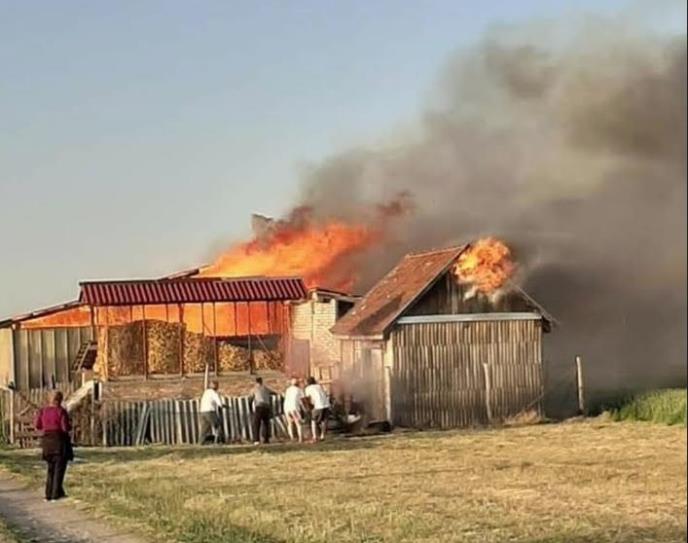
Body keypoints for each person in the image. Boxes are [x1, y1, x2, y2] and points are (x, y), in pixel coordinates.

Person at [34, 390, 73, 501]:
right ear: (60, 400)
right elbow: (65, 428)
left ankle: (48, 494)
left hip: (47, 442)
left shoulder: (43, 411)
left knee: (50, 469)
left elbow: (38, 425)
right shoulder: (61, 411)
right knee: (59, 469)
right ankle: (55, 494)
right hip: (58, 441)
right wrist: (70, 425)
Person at [305, 377, 331, 442]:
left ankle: (315, 437)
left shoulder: (308, 388)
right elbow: (326, 393)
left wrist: (309, 407)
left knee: (313, 420)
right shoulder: (319, 386)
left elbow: (308, 398)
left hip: (318, 405)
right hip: (326, 404)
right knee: (324, 421)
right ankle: (323, 436)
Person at [251, 377, 275, 445]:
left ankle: (256, 440)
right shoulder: (266, 388)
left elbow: (251, 398)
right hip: (266, 407)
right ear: (261, 382)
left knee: (256, 424)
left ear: (256, 382)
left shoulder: (254, 389)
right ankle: (266, 439)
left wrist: (251, 408)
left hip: (259, 407)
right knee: (266, 423)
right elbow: (273, 393)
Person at [199, 380, 225, 444]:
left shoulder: (206, 392)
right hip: (210, 412)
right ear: (216, 386)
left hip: (202, 412)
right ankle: (221, 440)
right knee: (218, 425)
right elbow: (220, 404)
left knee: (204, 429)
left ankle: (201, 442)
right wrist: (225, 406)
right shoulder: (214, 393)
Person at [283, 377, 305, 443]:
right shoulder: (299, 390)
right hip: (294, 407)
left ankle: (292, 437)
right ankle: (300, 438)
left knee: (290, 423)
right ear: (297, 383)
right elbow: (303, 400)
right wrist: (304, 408)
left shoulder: (288, 390)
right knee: (298, 423)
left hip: (287, 408)